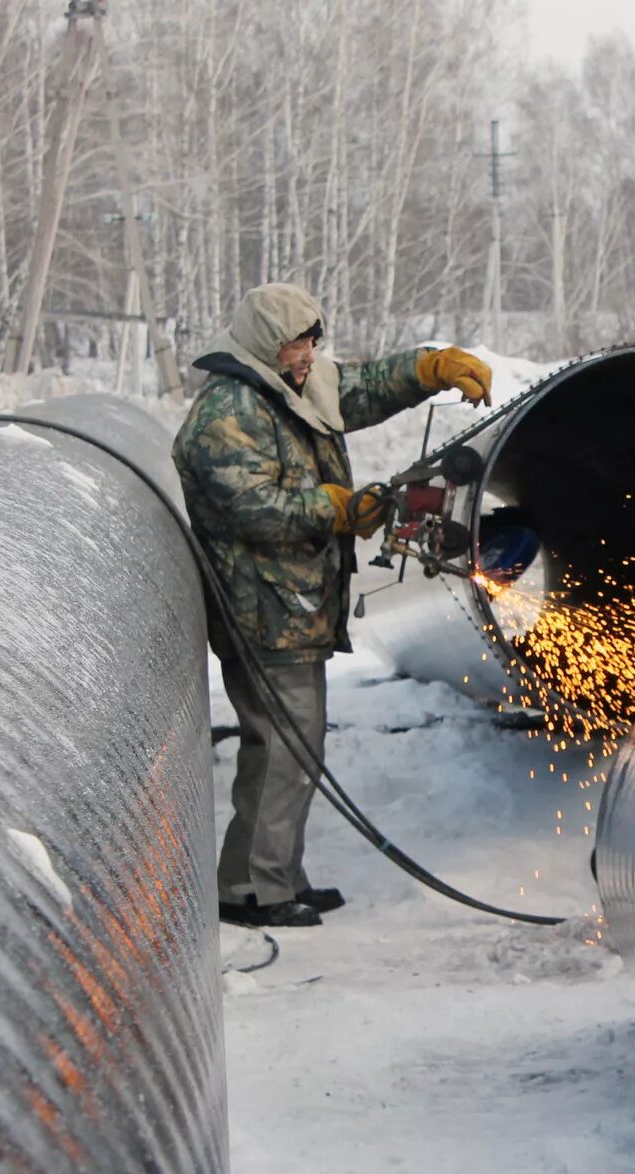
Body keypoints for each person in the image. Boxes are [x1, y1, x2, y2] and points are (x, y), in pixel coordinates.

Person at [173, 283, 493, 929]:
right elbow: (254, 508)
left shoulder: (292, 387)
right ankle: (252, 889)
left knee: (297, 746)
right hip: (261, 606)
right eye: (298, 343)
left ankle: (275, 874)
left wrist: (429, 367)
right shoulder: (228, 416)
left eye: (314, 341)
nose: (309, 354)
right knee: (284, 744)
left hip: (295, 602)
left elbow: (364, 386)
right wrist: (340, 509)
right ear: (268, 343)